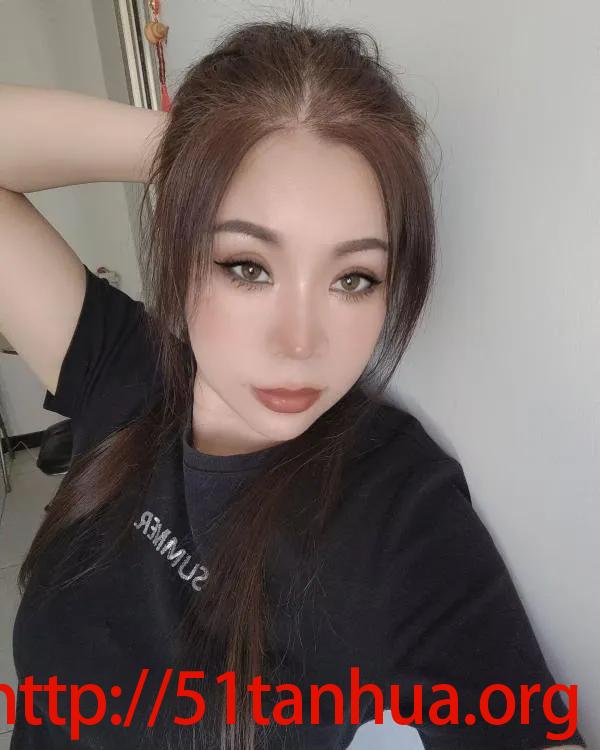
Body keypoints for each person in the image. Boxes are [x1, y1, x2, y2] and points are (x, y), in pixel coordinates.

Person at [0, 14, 587, 750]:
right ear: (181, 248)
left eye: (354, 278)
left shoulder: (398, 512)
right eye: (247, 266)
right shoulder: (125, 367)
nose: (301, 344)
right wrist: (198, 152)